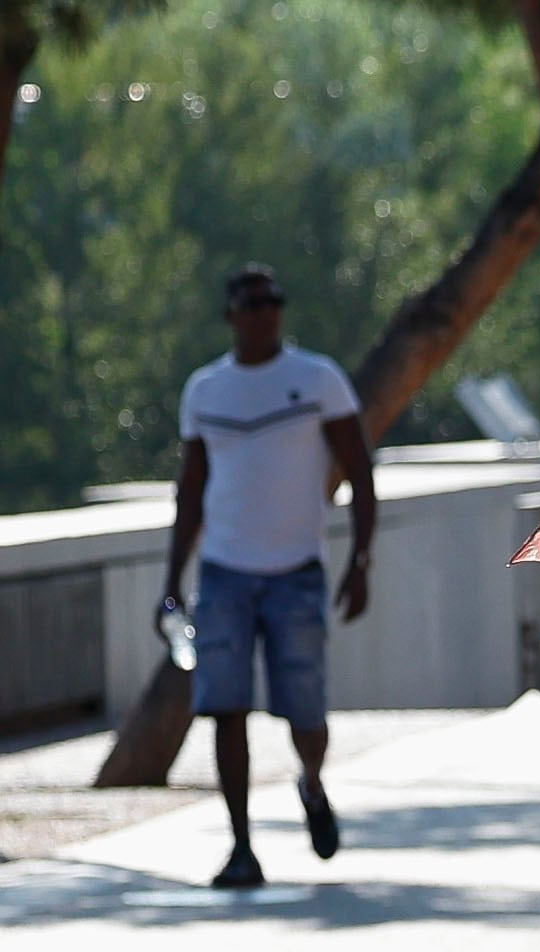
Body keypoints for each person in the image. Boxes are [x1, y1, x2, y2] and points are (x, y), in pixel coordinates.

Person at [160, 263, 376, 891]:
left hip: (295, 572)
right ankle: (241, 848)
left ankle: (310, 780)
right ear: (231, 315)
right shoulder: (205, 390)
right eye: (251, 303)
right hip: (224, 572)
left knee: (304, 712)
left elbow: (361, 472)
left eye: (273, 301)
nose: (264, 312)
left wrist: (361, 561)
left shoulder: (316, 379)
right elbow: (191, 491)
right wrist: (172, 580)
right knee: (225, 708)